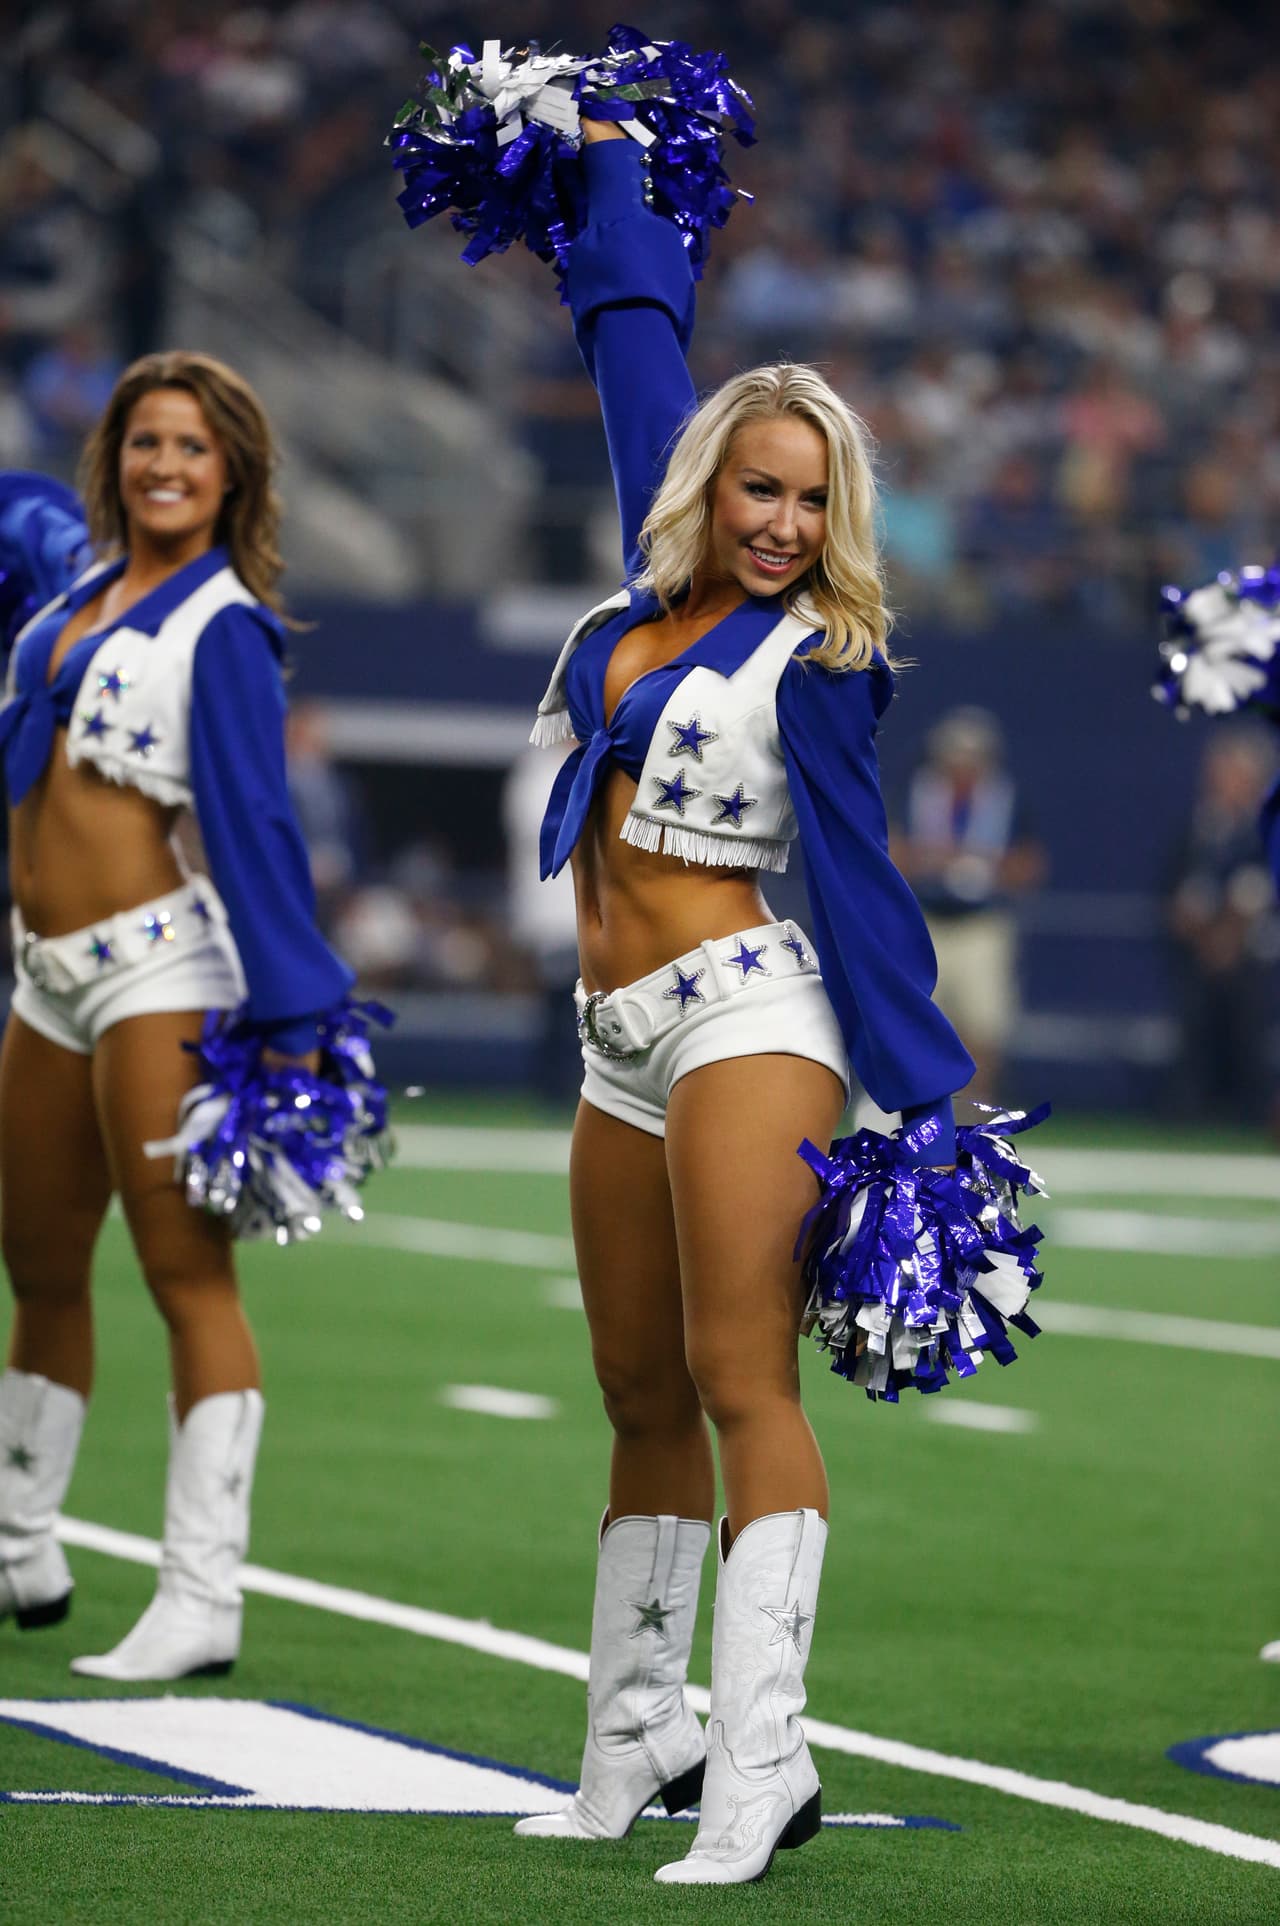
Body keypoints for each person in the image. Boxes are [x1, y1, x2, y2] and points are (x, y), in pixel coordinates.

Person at [508, 124, 976, 1884]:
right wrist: (611, 158)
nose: (782, 524)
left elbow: (859, 894)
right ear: (710, 482)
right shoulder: (642, 594)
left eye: (812, 502)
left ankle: (764, 1757)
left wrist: (928, 1118)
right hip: (611, 1038)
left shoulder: (823, 665)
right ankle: (635, 1736)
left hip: (746, 1017)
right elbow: (633, 324)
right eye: (759, 489)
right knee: (630, 1384)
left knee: (731, 1375)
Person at [0, 351, 360, 1681]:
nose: (165, 464)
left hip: (163, 972)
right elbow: (17, 514)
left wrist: (293, 1016)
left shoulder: (228, 628)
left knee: (184, 1275)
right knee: (32, 1256)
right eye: (145, 441)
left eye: (192, 449)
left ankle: (203, 1592)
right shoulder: (73, 598)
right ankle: (20, 1542)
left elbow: (254, 828)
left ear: (233, 476)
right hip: (45, 972)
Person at [891, 706, 1046, 1100]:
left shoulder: (1007, 799)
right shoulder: (916, 793)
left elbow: (1029, 866)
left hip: (982, 926)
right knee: (920, 1025)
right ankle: (923, 1114)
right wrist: (942, 861)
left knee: (983, 1028)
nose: (962, 767)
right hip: (927, 923)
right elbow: (893, 854)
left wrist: (985, 867)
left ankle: (975, 1114)